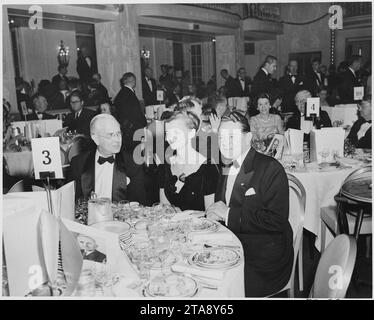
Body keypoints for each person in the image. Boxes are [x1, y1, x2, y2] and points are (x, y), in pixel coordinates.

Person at [206, 110, 293, 297]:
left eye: (231, 137)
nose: (224, 143)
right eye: (221, 137)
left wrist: (227, 214)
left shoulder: (271, 168)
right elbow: (223, 201)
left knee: (216, 287)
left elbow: (276, 221)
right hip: (232, 243)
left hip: (263, 257)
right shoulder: (227, 164)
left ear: (248, 139)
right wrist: (216, 211)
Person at [70, 114, 147, 203]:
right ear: (95, 138)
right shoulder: (78, 163)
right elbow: (72, 201)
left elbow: (139, 202)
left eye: (118, 134)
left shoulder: (132, 163)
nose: (117, 140)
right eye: (110, 135)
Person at [159, 111, 219, 211]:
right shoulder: (165, 165)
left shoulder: (208, 168)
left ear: (191, 133)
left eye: (176, 132)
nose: (169, 137)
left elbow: (211, 215)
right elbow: (164, 208)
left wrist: (183, 216)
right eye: (167, 133)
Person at [113, 72, 147, 150]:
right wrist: (144, 123)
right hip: (134, 128)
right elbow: (136, 113)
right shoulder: (129, 94)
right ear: (133, 80)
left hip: (126, 128)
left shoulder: (122, 93)